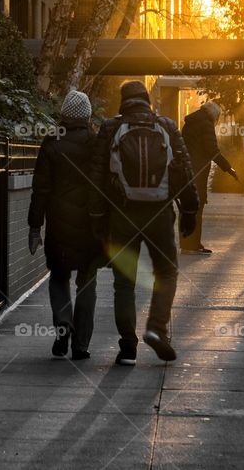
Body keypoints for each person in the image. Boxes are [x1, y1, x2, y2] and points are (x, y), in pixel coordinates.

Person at [89, 81, 199, 365]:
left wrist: (97, 219)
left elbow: (97, 177)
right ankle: (156, 328)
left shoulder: (111, 128)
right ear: (147, 100)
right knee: (167, 272)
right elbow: (185, 171)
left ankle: (128, 347)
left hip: (122, 214)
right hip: (159, 214)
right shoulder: (167, 126)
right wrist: (189, 211)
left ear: (123, 100)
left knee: (124, 283)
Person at [27, 90, 104, 360]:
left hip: (58, 225)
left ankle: (62, 324)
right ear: (87, 115)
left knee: (59, 277)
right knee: (87, 282)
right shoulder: (96, 143)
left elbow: (40, 189)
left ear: (64, 114)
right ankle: (80, 345)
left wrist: (34, 226)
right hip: (90, 225)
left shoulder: (52, 142)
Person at [179, 101, 237, 255]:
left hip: (186, 170)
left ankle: (186, 243)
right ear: (214, 115)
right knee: (197, 207)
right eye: (218, 118)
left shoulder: (189, 123)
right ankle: (193, 245)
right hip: (198, 170)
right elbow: (212, 150)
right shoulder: (206, 124)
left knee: (187, 206)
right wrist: (228, 168)